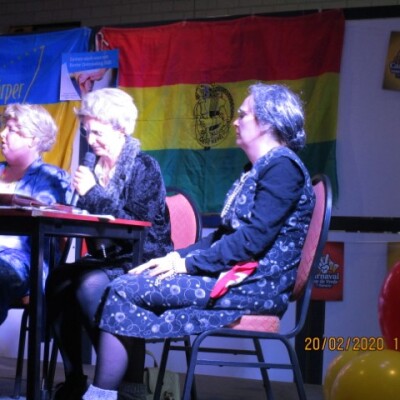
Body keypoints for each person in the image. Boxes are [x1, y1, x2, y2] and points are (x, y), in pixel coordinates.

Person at [81, 83, 316, 400]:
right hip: (237, 278)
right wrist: (176, 258)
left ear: (267, 123)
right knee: (128, 282)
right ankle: (124, 392)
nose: (235, 121)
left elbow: (251, 242)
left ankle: (103, 395)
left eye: (243, 115)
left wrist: (187, 265)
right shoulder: (259, 169)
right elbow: (223, 237)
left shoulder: (283, 167)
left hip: (254, 286)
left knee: (123, 288)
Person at [45, 87, 173, 400]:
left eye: (98, 133)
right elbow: (86, 216)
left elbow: (138, 223)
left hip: (144, 257)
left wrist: (93, 193)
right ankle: (75, 378)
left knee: (89, 285)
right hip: (105, 257)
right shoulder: (94, 167)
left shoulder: (144, 167)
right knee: (59, 279)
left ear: (121, 129)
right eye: (87, 132)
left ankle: (120, 384)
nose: (91, 141)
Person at [0, 103, 71, 325]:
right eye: (4, 127)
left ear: (33, 138)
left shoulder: (51, 178)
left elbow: (43, 220)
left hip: (23, 261)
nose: (2, 134)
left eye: (11, 129)